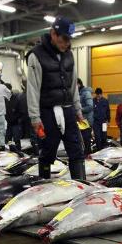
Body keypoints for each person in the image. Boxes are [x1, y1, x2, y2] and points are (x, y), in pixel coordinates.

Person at [26, 17, 86, 180]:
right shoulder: (36, 55)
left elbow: (73, 85)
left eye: (69, 39)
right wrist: (34, 117)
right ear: (53, 33)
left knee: (76, 150)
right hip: (47, 112)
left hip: (68, 109)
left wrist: (78, 109)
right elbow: (33, 88)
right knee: (48, 151)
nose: (67, 43)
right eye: (64, 39)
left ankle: (82, 186)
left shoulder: (69, 55)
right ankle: (43, 185)